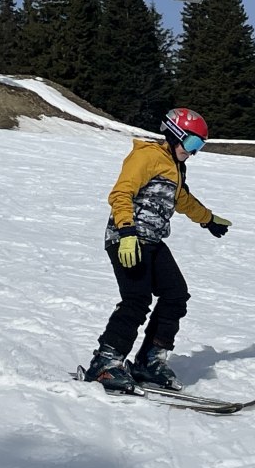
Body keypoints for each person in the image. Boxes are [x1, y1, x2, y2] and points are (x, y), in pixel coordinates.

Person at [84, 108, 232, 392]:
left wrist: (208, 219)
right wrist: (126, 232)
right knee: (136, 299)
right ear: (175, 135)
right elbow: (121, 193)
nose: (193, 152)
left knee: (175, 295)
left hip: (152, 240)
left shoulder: (175, 167)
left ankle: (149, 361)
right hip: (126, 238)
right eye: (192, 143)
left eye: (199, 147)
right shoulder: (147, 156)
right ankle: (105, 363)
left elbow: (183, 200)